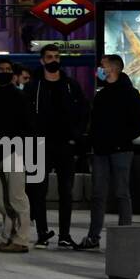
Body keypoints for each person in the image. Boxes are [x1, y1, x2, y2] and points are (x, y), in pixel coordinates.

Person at [77, 54, 140, 249]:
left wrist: (119, 138)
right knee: (98, 194)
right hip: (100, 151)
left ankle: (125, 236)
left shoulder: (130, 94)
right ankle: (93, 236)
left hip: (120, 150)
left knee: (121, 193)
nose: (99, 69)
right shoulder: (102, 94)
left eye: (103, 65)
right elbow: (95, 123)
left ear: (113, 69)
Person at [26, 44, 89, 248]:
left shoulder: (71, 84)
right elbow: (26, 114)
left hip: (65, 144)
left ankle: (64, 234)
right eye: (49, 57)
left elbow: (83, 111)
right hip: (40, 144)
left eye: (56, 56)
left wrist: (75, 136)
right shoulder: (33, 86)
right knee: (38, 190)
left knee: (66, 191)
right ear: (42, 60)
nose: (54, 60)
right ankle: (42, 233)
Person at [0, 58, 32, 254]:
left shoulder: (18, 96)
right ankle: (7, 236)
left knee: (16, 196)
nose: (3, 72)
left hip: (14, 150)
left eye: (7, 69)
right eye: (0, 69)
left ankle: (21, 239)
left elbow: (27, 125)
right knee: (2, 197)